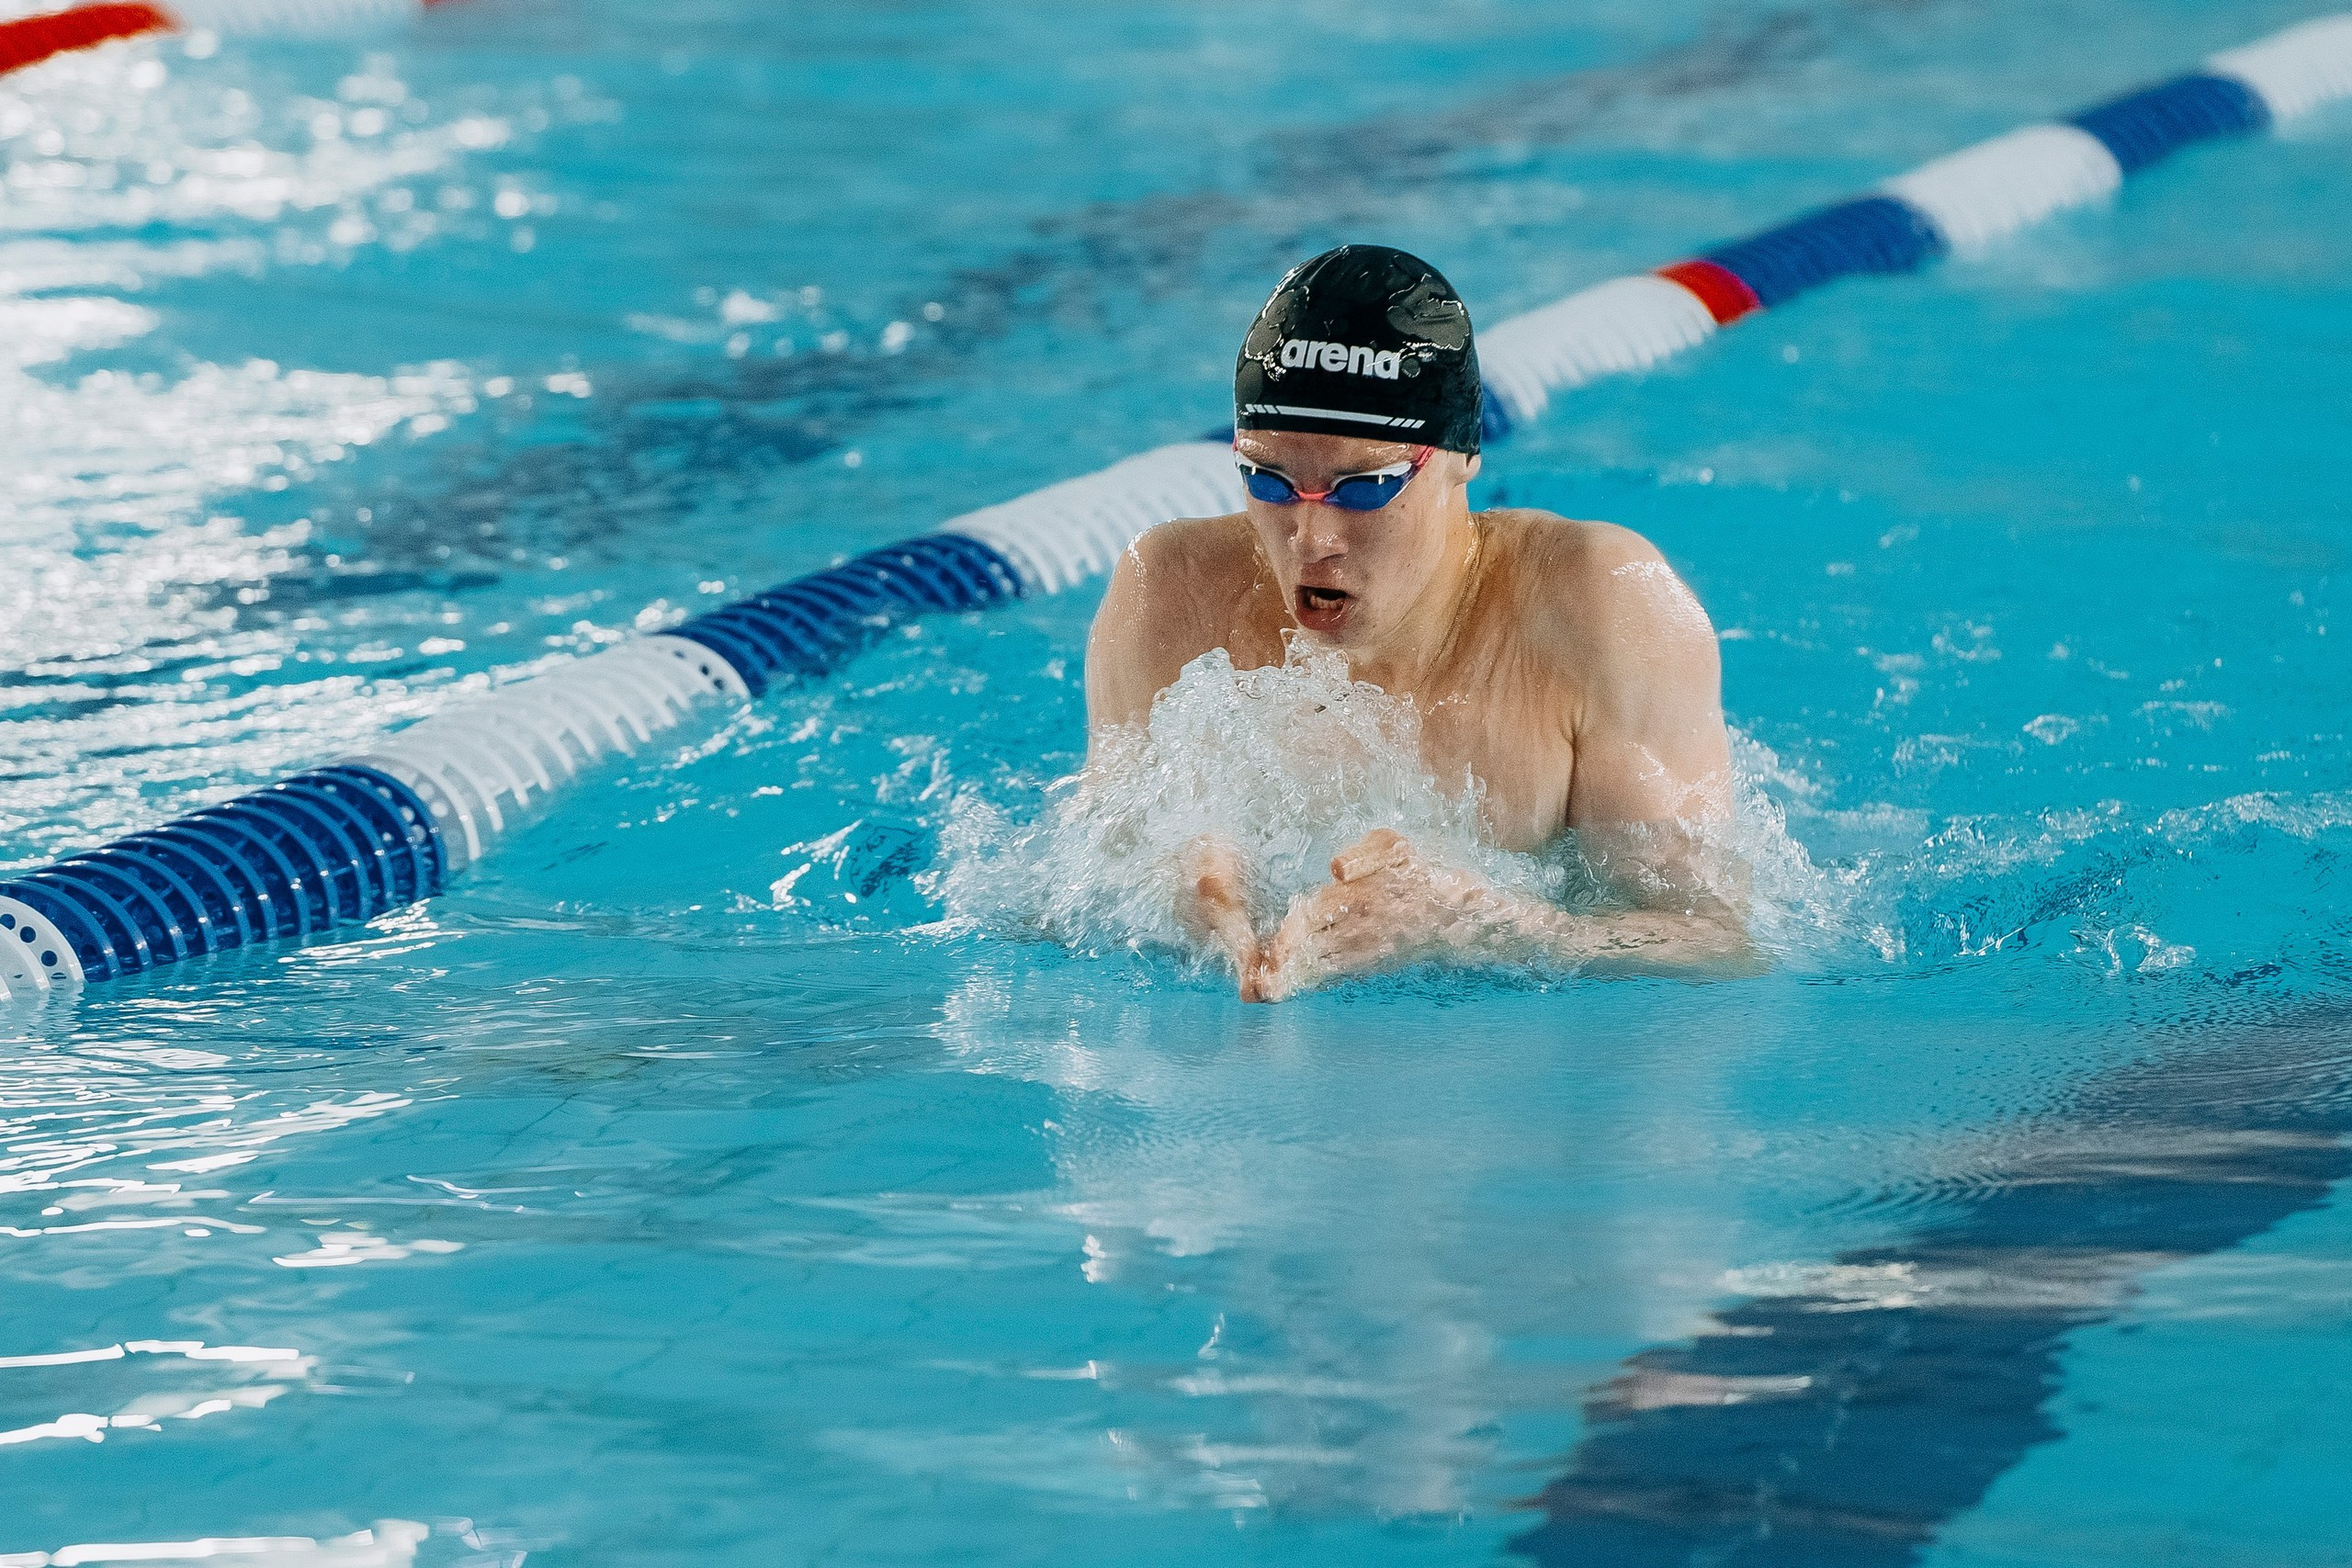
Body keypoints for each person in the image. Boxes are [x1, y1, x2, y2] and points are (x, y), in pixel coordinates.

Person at [1085, 243, 1751, 1002]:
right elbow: (1062, 882)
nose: (1312, 537)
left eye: (1362, 487)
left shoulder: (1602, 609)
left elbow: (1717, 939)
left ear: (1460, 457)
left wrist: (1488, 925)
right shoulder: (1167, 596)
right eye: (1268, 478)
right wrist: (1158, 879)